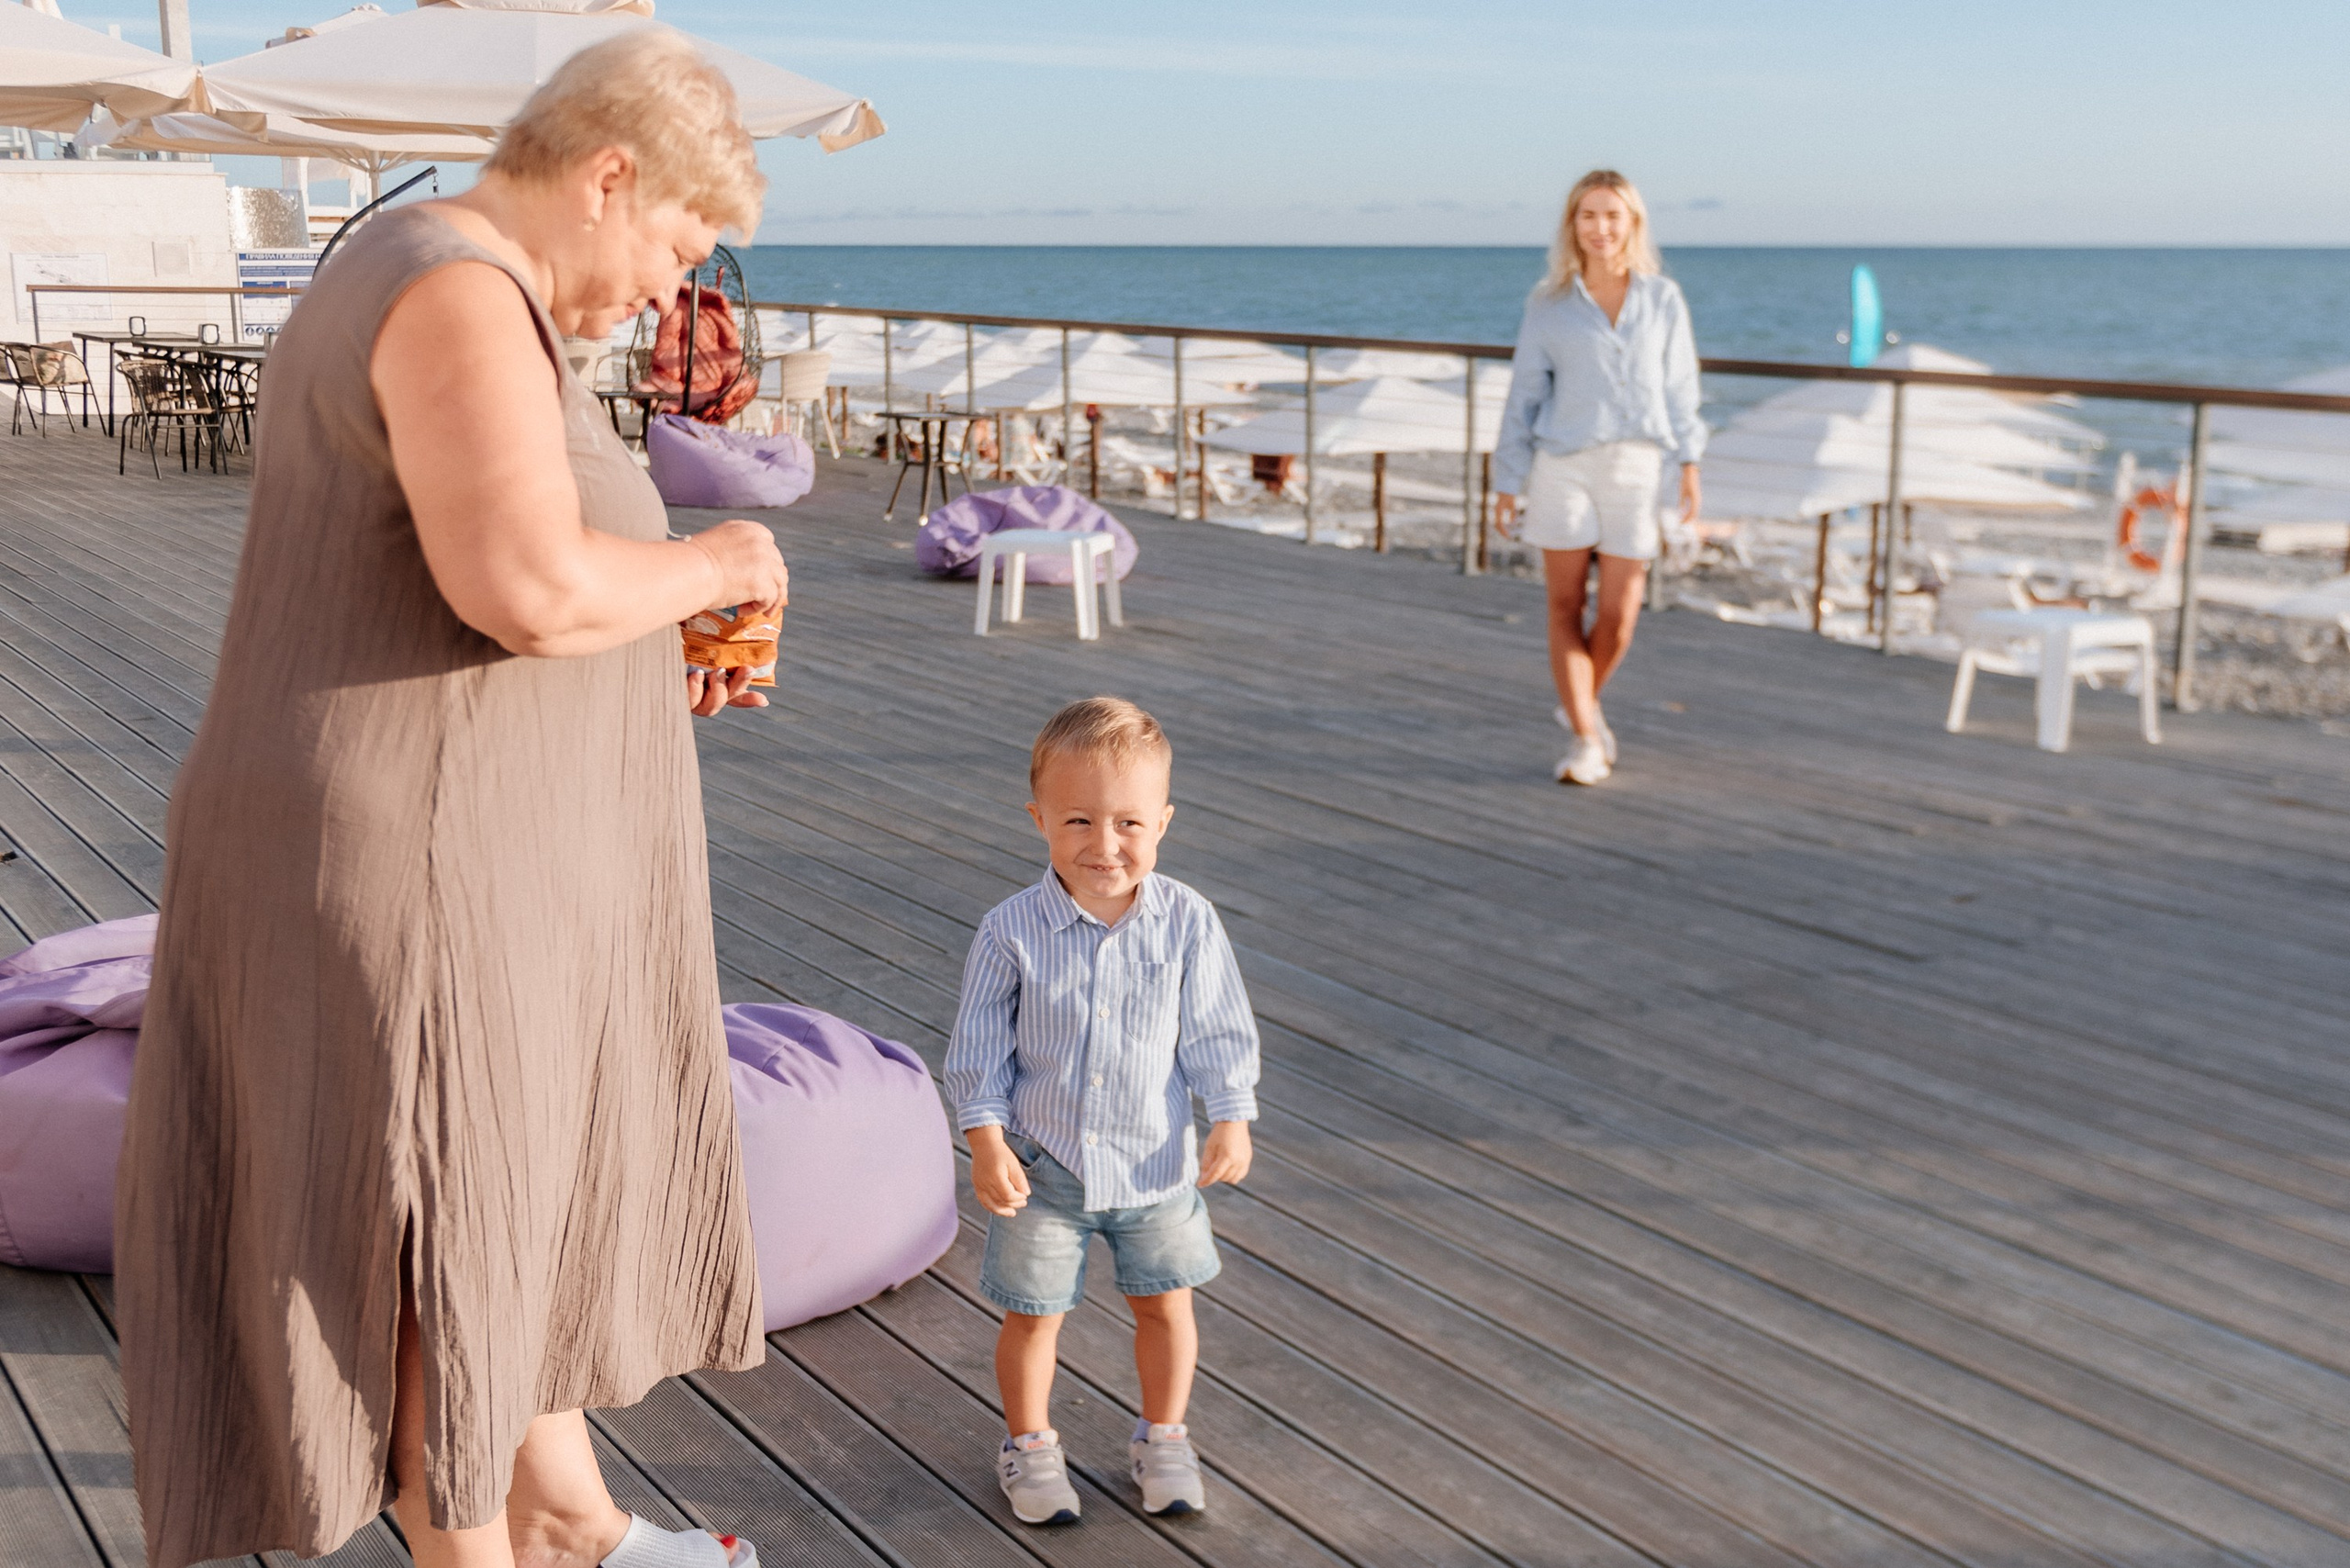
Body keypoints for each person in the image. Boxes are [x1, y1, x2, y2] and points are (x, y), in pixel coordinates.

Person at [116, 32, 790, 1568]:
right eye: (676, 249)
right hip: (412, 865)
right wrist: (714, 564)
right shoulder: (457, 293)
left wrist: (646, 630)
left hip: (441, 843)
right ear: (609, 176)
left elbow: (481, 574)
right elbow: (525, 586)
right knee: (440, 1231)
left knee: (493, 1195)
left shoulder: (443, 274)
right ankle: (503, 1546)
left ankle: (565, 1519)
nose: (667, 296)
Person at [945, 697, 1260, 1526]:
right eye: (1078, 820)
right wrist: (985, 1139)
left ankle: (1165, 1436)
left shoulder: (1188, 921)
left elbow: (1217, 1027)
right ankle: (1030, 1445)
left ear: (1164, 822)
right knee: (1033, 1316)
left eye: (1129, 823)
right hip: (1043, 1170)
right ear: (1039, 819)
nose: (1105, 844)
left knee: (1167, 1303)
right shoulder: (1010, 930)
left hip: (1157, 1165)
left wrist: (1231, 1113)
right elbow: (980, 1048)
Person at [1493, 169, 1707, 786]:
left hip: (1639, 469)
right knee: (1565, 605)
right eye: (1588, 215)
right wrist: (1508, 478)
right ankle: (1586, 736)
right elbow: (1525, 394)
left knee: (1619, 616)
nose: (1600, 228)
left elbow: (1681, 388)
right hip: (1562, 467)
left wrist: (1690, 463)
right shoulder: (1549, 304)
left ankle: (1578, 700)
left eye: (1612, 215)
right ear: (1573, 225)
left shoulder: (1662, 299)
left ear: (1632, 223)